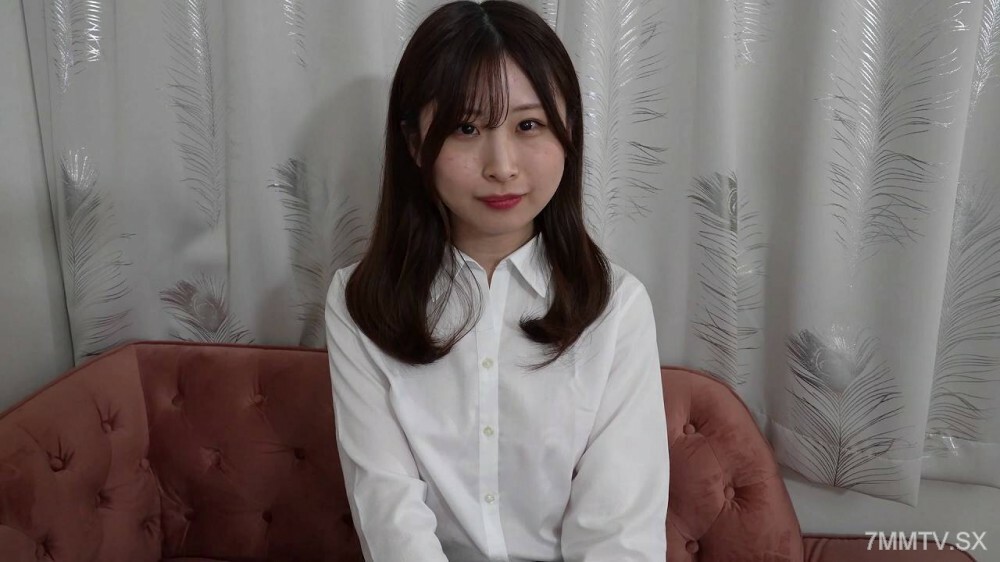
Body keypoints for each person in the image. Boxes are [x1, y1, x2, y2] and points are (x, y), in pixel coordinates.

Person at [324, 2, 669, 560]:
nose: (502, 166)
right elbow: (390, 514)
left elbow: (619, 533)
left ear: (568, 131)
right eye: (466, 128)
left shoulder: (617, 306)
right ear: (415, 143)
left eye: (528, 125)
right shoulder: (359, 302)